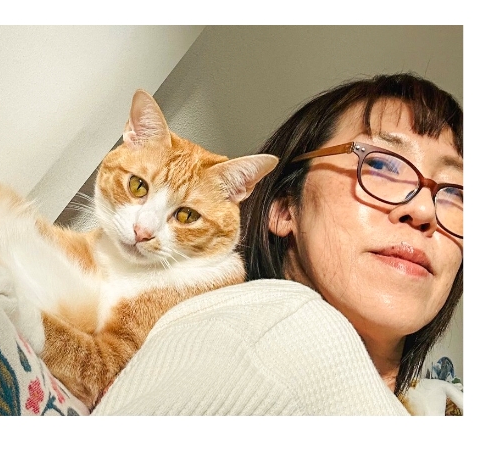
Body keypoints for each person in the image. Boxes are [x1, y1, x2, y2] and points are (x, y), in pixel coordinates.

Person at [91, 73, 463, 416]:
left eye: (457, 192)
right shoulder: (284, 331)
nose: (423, 210)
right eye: (382, 165)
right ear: (284, 209)